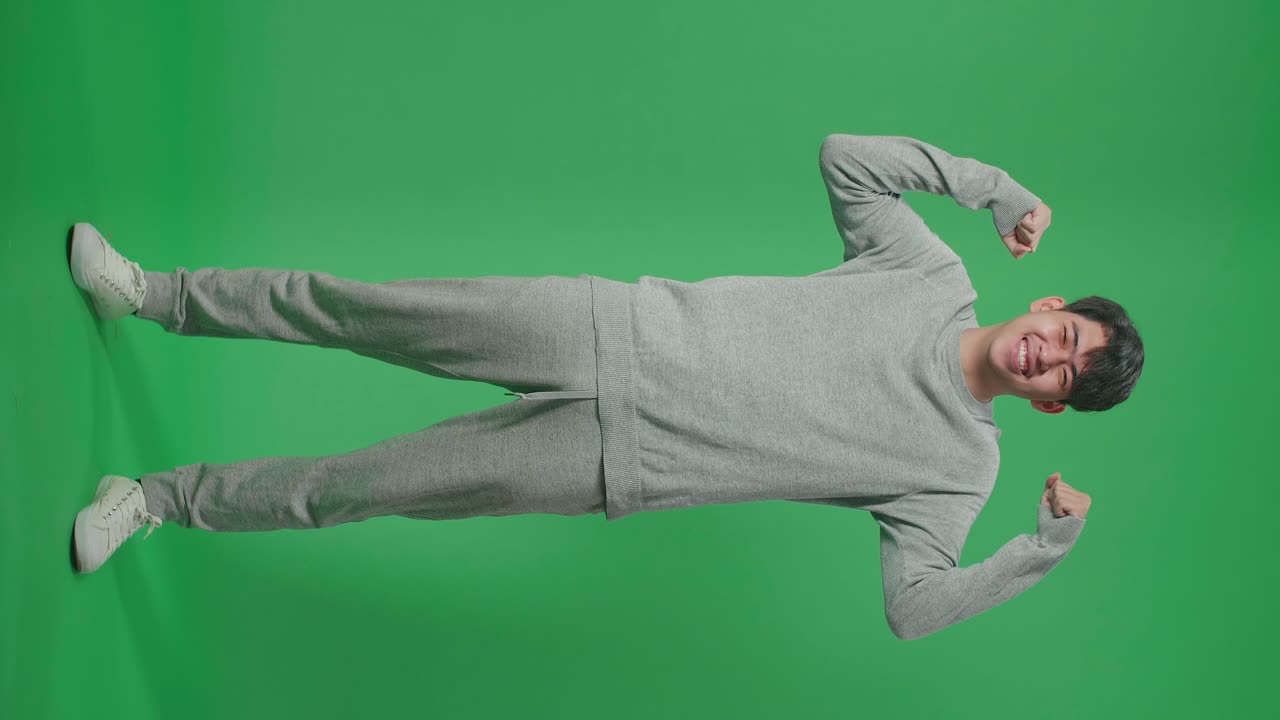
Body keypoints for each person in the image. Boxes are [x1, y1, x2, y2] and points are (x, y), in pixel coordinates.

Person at [67, 132, 1143, 641]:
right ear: (1045, 306)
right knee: (359, 307)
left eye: (1068, 375)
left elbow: (912, 610)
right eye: (1067, 333)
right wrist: (990, 188)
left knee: (361, 486)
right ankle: (151, 292)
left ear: (1052, 403)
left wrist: (1037, 551)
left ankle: (155, 501)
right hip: (600, 326)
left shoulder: (959, 471)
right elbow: (845, 158)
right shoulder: (929, 270)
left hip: (604, 466)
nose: (1053, 354)